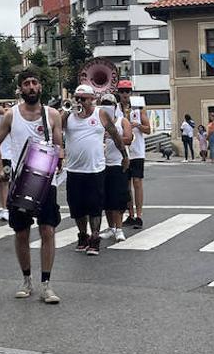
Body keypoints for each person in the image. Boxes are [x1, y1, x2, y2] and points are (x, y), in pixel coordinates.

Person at [0, 70, 64, 303]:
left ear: (40, 87)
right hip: (20, 182)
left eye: (34, 83)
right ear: (21, 89)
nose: (31, 87)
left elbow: (60, 147)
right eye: (26, 84)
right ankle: (26, 280)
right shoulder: (11, 115)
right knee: (21, 233)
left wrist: (60, 160)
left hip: (46, 183)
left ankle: (46, 284)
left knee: (48, 231)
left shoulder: (52, 115)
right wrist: (1, 170)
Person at [62, 85, 127, 256]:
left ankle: (95, 237)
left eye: (83, 98)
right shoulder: (69, 116)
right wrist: (65, 112)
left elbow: (115, 135)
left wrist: (124, 156)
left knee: (95, 206)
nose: (79, 101)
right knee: (77, 207)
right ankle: (83, 235)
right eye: (77, 98)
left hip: (95, 169)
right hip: (74, 169)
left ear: (92, 99)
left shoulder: (101, 114)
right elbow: (55, 128)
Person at [98, 92, 133, 242]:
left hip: (117, 163)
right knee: (105, 198)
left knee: (118, 198)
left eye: (109, 104)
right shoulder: (98, 121)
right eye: (104, 103)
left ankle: (119, 228)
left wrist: (112, 135)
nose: (106, 106)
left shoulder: (122, 121)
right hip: (102, 163)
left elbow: (129, 138)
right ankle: (111, 227)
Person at [120, 80, 150, 229]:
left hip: (137, 151)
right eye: (122, 91)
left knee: (137, 183)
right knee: (125, 185)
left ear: (131, 92)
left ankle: (139, 215)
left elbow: (148, 129)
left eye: (127, 91)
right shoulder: (115, 109)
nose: (125, 94)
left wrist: (137, 125)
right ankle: (130, 214)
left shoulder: (139, 109)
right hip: (122, 152)